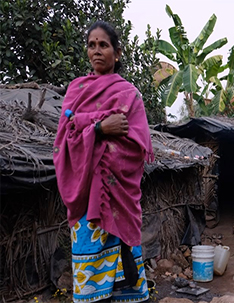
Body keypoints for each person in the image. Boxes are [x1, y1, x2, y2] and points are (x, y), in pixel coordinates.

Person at [53, 20, 154, 303]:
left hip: (119, 200)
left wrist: (84, 124)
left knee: (127, 290)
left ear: (117, 53)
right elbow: (63, 142)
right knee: (91, 293)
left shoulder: (130, 94)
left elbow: (136, 147)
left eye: (104, 45)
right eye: (91, 45)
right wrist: (99, 129)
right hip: (87, 204)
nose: (96, 51)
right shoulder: (76, 90)